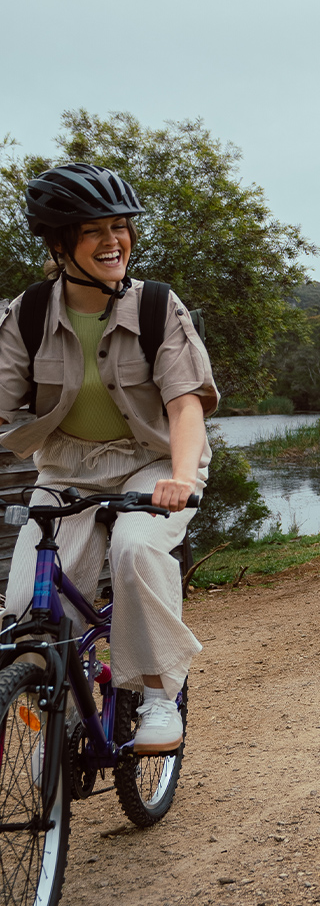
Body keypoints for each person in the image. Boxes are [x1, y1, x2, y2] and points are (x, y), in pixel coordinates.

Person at [0, 162, 219, 752]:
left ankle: (156, 694)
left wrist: (178, 475)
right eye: (94, 230)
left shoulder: (157, 308)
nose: (113, 241)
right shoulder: (28, 314)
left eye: (120, 227)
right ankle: (63, 712)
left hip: (155, 460)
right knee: (26, 609)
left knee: (135, 547)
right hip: (67, 467)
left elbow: (185, 404)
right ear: (58, 243)